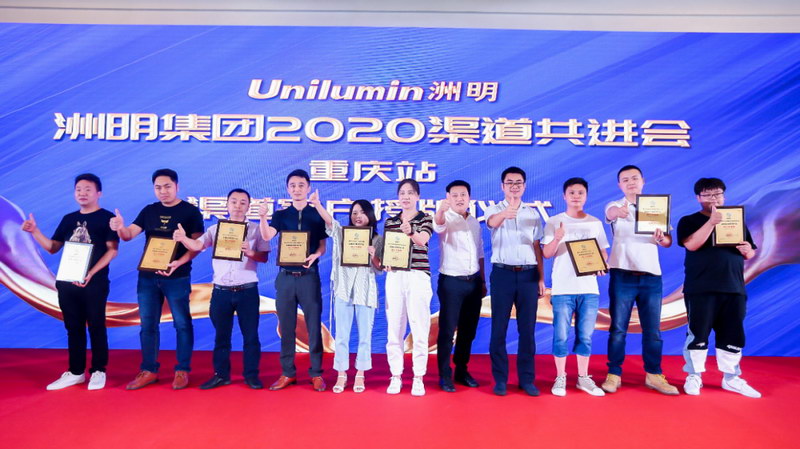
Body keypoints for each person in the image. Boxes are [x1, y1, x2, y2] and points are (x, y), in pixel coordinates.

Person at [22, 174, 119, 390]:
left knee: (96, 326)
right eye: (78, 189)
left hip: (94, 282)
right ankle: (76, 372)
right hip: (67, 282)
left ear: (99, 193)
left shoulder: (107, 218)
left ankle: (98, 371)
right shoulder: (68, 219)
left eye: (88, 189)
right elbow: (52, 247)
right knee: (73, 327)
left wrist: (91, 273)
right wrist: (34, 231)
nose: (82, 193)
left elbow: (112, 251)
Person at [110, 168, 204, 390]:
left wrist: (179, 262)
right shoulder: (149, 210)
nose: (163, 191)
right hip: (148, 277)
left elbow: (198, 245)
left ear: (177, 186)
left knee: (182, 323)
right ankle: (149, 370)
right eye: (158, 187)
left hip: (177, 276)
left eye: (167, 186)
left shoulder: (190, 211)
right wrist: (120, 228)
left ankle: (182, 370)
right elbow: (128, 235)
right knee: (148, 324)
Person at [173, 188, 269, 390]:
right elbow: (197, 246)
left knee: (251, 336)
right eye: (234, 201)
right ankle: (221, 375)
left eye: (243, 202)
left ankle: (251, 376)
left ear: (248, 206)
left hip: (247, 290)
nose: (238, 206)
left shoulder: (256, 230)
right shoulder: (215, 230)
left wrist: (250, 252)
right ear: (227, 205)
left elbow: (264, 257)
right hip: (221, 291)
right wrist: (183, 238)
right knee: (221, 337)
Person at [677, 177, 760, 398]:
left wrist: (748, 251)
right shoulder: (689, 220)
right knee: (698, 334)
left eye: (718, 194)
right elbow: (692, 245)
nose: (714, 198)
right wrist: (712, 222)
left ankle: (731, 378)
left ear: (724, 195)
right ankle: (694, 376)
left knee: (733, 334)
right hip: (700, 287)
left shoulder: (735, 220)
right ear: (698, 198)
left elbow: (751, 252)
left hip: (733, 287)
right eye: (708, 194)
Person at [601, 165, 679, 395]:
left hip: (651, 276)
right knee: (618, 328)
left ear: (643, 181)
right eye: (625, 179)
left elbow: (667, 241)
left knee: (652, 330)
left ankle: (654, 374)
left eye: (634, 178)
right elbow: (610, 214)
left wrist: (661, 237)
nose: (631, 182)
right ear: (619, 185)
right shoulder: (615, 205)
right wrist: (618, 212)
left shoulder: (655, 207)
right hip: (622, 274)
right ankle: (614, 374)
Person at [258, 169, 327, 392]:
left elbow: (322, 246)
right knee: (286, 327)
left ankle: (316, 373)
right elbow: (267, 235)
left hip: (309, 277)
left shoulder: (317, 214)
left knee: (313, 326)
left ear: (308, 187)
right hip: (286, 277)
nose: (297, 189)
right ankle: (288, 372)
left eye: (301, 185)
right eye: (293, 185)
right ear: (287, 189)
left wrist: (315, 255)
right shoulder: (281, 215)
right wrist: (262, 217)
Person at [541, 177, 608, 397]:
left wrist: (602, 265)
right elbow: (546, 253)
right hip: (563, 288)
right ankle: (560, 377)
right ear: (564, 196)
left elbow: (603, 252)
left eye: (580, 193)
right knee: (561, 335)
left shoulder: (595, 223)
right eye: (572, 192)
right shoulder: (554, 222)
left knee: (585, 336)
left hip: (589, 289)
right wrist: (557, 238)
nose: (576, 196)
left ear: (586, 196)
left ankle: (583, 378)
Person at [310, 193, 380, 393]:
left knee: (365, 336)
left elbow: (380, 268)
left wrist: (373, 256)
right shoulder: (342, 233)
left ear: (370, 215)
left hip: (366, 292)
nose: (358, 216)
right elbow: (330, 222)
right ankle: (341, 374)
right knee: (341, 335)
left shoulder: (377, 239)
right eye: (354, 213)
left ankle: (360, 374)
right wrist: (317, 204)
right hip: (343, 290)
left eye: (362, 212)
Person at [484, 167, 545, 397]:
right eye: (509, 182)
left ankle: (526, 379)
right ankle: (500, 379)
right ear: (502, 186)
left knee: (527, 330)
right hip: (503, 274)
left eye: (518, 182)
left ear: (524, 186)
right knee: (499, 328)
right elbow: (492, 222)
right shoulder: (494, 210)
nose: (514, 186)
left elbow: (536, 246)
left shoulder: (533, 214)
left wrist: (541, 277)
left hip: (529, 275)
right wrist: (505, 213)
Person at [382, 179, 433, 397]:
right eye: (402, 193)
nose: (405, 197)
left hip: (418, 276)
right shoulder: (390, 221)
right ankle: (396, 375)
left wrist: (411, 231)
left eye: (410, 193)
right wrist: (385, 261)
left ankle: (418, 377)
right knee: (394, 327)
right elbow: (388, 250)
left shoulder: (425, 218)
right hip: (395, 277)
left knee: (420, 327)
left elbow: (422, 240)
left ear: (417, 196)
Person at [434, 180, 486, 392]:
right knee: (447, 331)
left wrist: (483, 280)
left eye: (463, 194)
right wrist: (440, 211)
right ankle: (444, 374)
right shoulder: (445, 217)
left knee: (468, 330)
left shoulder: (474, 222)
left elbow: (480, 252)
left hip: (473, 282)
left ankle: (461, 370)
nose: (459, 198)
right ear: (448, 198)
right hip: (451, 283)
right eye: (454, 195)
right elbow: (438, 225)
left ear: (469, 197)